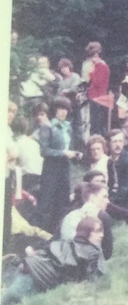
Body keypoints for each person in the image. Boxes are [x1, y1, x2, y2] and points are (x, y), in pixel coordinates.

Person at [1, 215, 106, 305]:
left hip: (27, 267)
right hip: (35, 277)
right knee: (6, 302)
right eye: (97, 231)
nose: (101, 235)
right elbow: (94, 278)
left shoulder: (69, 243)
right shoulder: (90, 252)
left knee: (7, 298)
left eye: (102, 231)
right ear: (86, 232)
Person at [33, 99, 80, 233]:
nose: (63, 112)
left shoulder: (67, 127)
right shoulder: (47, 127)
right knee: (46, 201)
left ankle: (58, 231)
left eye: (66, 109)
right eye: (60, 109)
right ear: (54, 111)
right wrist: (63, 153)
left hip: (64, 167)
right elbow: (44, 151)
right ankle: (39, 232)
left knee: (63, 200)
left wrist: (75, 154)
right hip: (51, 168)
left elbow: (67, 147)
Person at [84, 41, 114, 136]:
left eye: (94, 56)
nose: (92, 59)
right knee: (95, 123)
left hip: (98, 98)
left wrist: (91, 73)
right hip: (95, 97)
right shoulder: (98, 66)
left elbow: (98, 82)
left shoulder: (101, 66)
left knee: (97, 125)